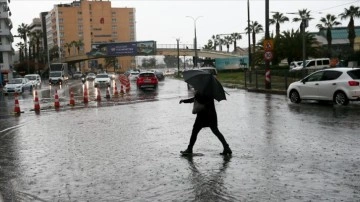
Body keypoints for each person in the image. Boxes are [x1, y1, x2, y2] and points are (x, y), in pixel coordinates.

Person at [179, 91, 232, 155]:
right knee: (215, 131)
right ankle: (226, 147)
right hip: (211, 115)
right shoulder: (209, 90)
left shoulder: (203, 91)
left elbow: (199, 100)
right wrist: (185, 101)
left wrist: (195, 95)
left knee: (195, 131)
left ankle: (189, 149)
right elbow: (196, 99)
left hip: (203, 115)